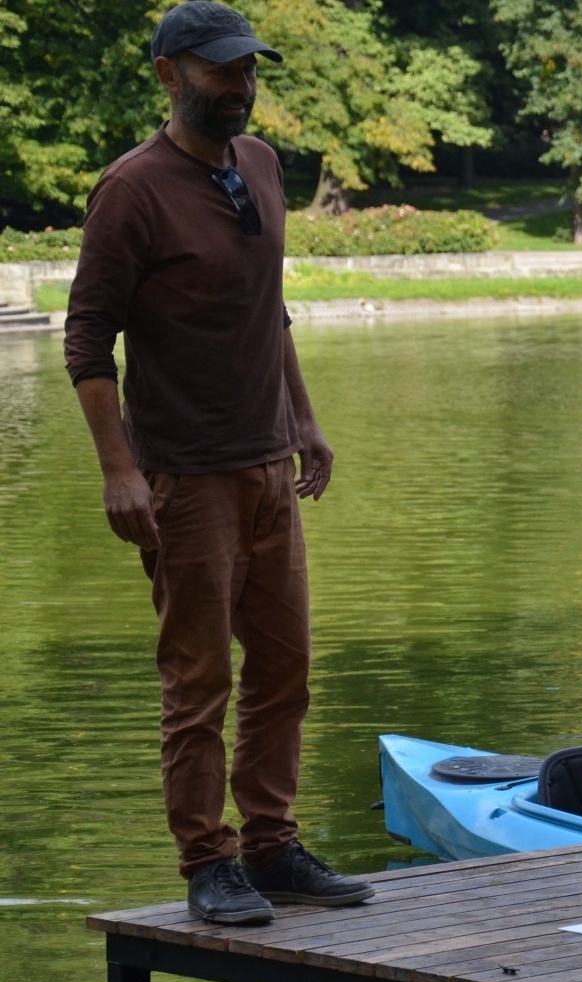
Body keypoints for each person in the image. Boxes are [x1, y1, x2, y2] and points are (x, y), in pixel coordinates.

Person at [62, 1, 372, 925]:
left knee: (285, 671)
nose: (241, 87)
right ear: (170, 74)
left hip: (270, 465)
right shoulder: (132, 189)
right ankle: (208, 861)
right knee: (199, 679)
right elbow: (87, 345)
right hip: (184, 480)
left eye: (249, 71)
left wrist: (305, 423)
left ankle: (272, 848)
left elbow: (267, 313)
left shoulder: (263, 166)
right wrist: (120, 471)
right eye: (222, 71)